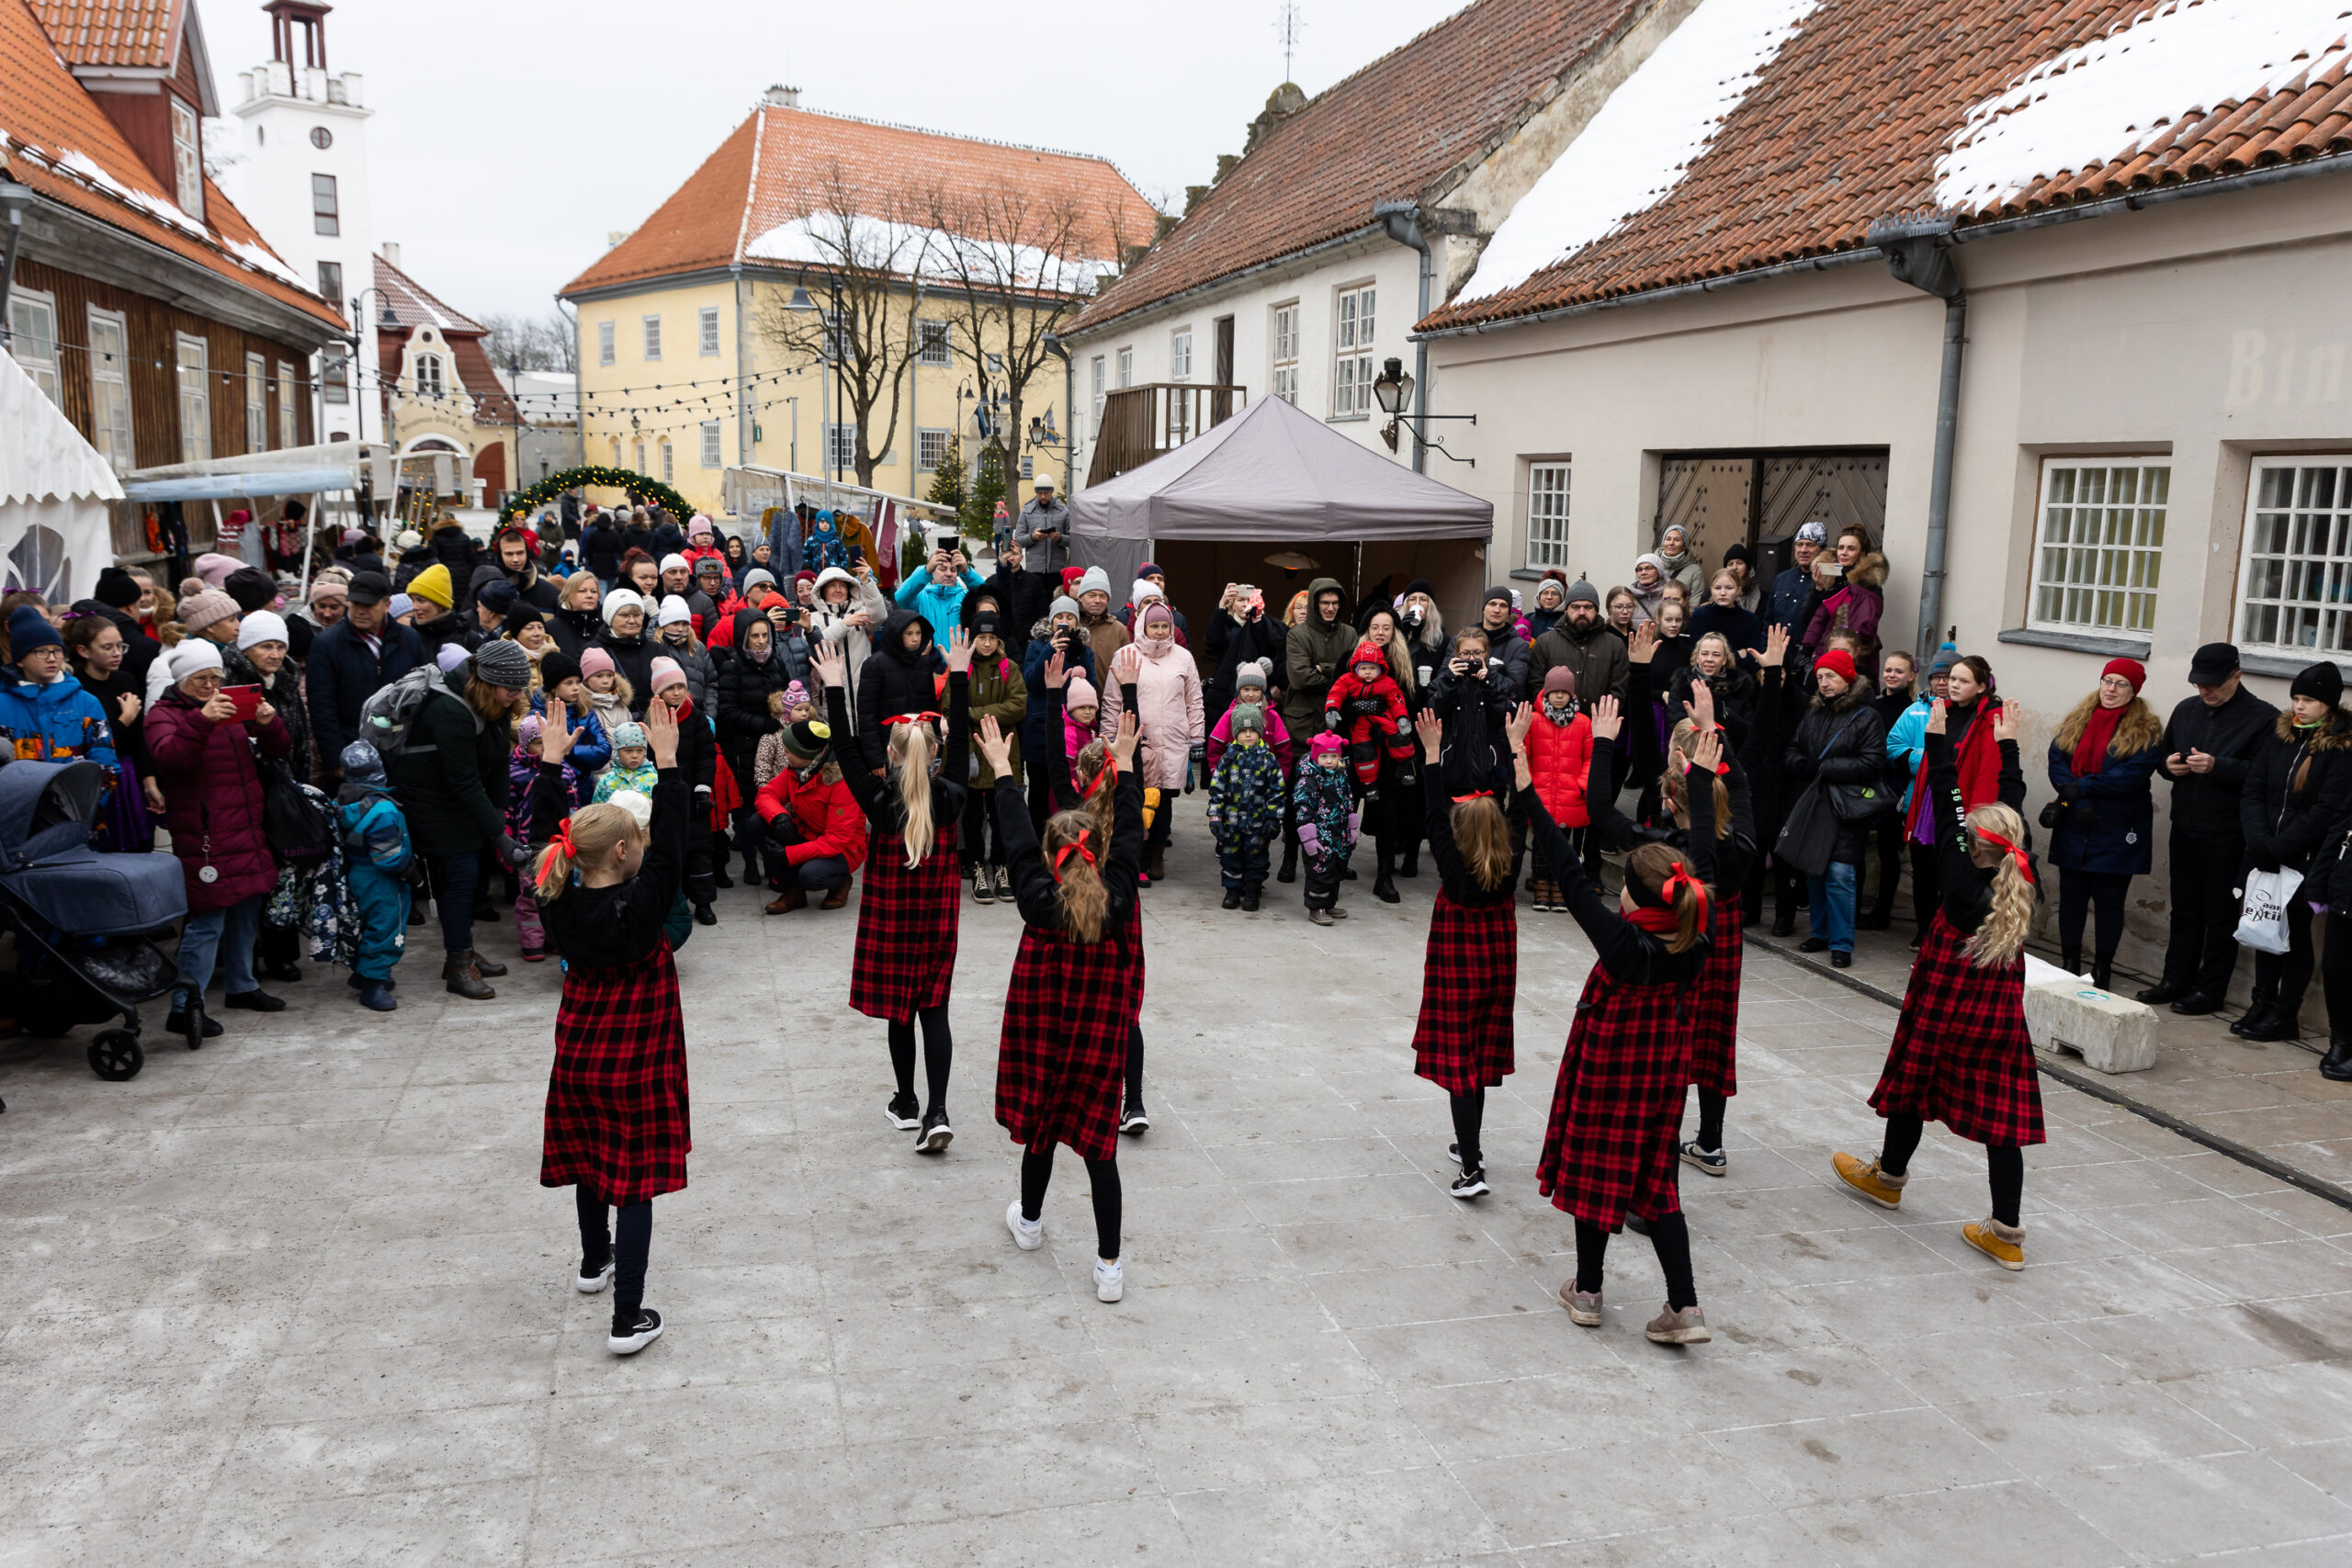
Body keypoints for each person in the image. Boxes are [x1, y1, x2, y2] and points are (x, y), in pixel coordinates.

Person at [1833, 696, 2039, 1271]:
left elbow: (1946, 796)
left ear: (1972, 843)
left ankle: (1890, 1176)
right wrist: (2009, 745)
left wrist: (1941, 739)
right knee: (2004, 1121)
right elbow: (2010, 805)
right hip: (1997, 1016)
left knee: (1915, 1083)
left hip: (1947, 1002)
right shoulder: (2021, 870)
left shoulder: (1958, 875)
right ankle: (2005, 1232)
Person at [1534, 718, 1721, 1345]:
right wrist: (1701, 780)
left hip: (1608, 1076)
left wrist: (1521, 780)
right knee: (1658, 1186)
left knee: (1595, 1175)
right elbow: (1707, 853)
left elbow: (1567, 867)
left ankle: (1587, 1291)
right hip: (1661, 1079)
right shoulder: (1699, 936)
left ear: (1633, 893)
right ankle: (1686, 1307)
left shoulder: (1621, 942)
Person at [530, 700, 688, 1356]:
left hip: (580, 1054)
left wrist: (550, 760)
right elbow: (675, 845)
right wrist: (670, 761)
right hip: (638, 1060)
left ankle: (595, 1262)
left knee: (593, 1165)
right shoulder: (641, 905)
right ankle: (628, 1318)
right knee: (637, 1184)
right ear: (623, 850)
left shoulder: (556, 890)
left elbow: (545, 824)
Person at [976, 707, 1143, 1303]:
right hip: (1098, 1051)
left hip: (1044, 1049)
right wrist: (1125, 764)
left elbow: (1016, 835)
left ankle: (1030, 1221)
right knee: (1101, 1156)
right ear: (1098, 852)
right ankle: (1109, 1266)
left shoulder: (1036, 902)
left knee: (1040, 1136)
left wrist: (1000, 768)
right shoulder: (1118, 899)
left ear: (1052, 858)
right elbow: (1129, 836)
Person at [820, 635, 971, 1148]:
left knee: (899, 1012)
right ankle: (939, 1110)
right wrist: (960, 677)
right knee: (936, 1011)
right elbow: (965, 741)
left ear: (888, 752)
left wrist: (836, 689)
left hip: (891, 921)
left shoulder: (879, 799)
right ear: (936, 750)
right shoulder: (951, 794)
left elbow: (843, 746)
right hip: (937, 920)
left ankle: (905, 1102)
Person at [147, 640, 289, 1047]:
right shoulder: (163, 714)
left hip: (244, 827)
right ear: (181, 682)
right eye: (202, 679)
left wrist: (267, 722)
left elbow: (279, 750)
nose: (212, 686)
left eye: (216, 678)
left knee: (247, 911)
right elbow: (171, 758)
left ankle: (242, 986)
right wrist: (203, 720)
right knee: (207, 922)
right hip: (205, 835)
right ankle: (184, 1007)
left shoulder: (229, 708)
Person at [1407, 700, 1521, 1198]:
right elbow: (1518, 801)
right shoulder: (1511, 860)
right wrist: (1517, 749)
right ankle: (1468, 1145)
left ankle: (1471, 1167)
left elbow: (1433, 808)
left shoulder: (1453, 866)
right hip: (1497, 966)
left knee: (1461, 1068)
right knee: (1478, 1057)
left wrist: (1431, 753)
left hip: (1458, 967)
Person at [2137, 645, 2278, 1014]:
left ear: (2237, 676)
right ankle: (2174, 980)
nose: (2205, 691)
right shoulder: (2186, 710)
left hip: (2229, 832)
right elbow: (2164, 756)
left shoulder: (2263, 718)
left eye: (2213, 685)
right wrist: (2168, 766)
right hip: (2185, 824)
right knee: (2183, 908)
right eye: (2199, 684)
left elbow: (2265, 778)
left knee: (2220, 914)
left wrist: (2218, 766)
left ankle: (2210, 990)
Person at [389, 640, 533, 998]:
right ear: (486, 681)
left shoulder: (494, 702)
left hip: (461, 797)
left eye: (520, 689)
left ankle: (462, 949)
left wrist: (499, 814)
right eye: (509, 689)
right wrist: (499, 835)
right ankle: (457, 964)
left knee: (472, 875)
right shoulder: (449, 710)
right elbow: (463, 781)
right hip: (431, 800)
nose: (515, 696)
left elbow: (499, 759)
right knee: (459, 876)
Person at [2233, 662, 2352, 1043]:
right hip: (2266, 850)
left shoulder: (2340, 747)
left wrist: (2279, 847)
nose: (2299, 706)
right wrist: (2259, 842)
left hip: (2305, 857)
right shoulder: (2281, 735)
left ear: (2328, 704)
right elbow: (2253, 790)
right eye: (2296, 698)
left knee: (2295, 934)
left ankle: (2286, 1013)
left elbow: (2327, 810)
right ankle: (2261, 1002)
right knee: (2266, 926)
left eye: (2309, 700)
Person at [2044, 659, 2165, 988]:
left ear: (2134, 689)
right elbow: (2058, 762)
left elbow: (2133, 773)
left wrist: (2083, 788)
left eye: (2121, 684)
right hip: (2076, 821)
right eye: (2107, 681)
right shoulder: (2078, 720)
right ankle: (2069, 962)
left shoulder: (2147, 728)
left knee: (2109, 902)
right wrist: (2079, 799)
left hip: (2117, 825)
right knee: (2071, 897)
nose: (2111, 689)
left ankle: (2102, 969)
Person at [1885, 652, 2004, 948]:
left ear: (1981, 686)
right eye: (1952, 679)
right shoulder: (1941, 712)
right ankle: (1925, 931)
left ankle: (1949, 934)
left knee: (1953, 874)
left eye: (1963, 681)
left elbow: (1987, 775)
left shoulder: (1989, 719)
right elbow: (1926, 761)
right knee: (1923, 871)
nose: (1953, 685)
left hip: (1959, 808)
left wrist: (1975, 822)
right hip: (1928, 803)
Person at [1781, 648, 1887, 968]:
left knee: (1840, 874)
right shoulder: (1814, 711)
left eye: (1831, 677)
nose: (1824, 683)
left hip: (1847, 806)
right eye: (1820, 677)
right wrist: (1801, 763)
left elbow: (1873, 761)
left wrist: (1826, 767)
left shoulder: (1867, 716)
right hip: (1817, 802)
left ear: (1848, 679)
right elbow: (1793, 748)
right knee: (1814, 870)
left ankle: (1842, 943)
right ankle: (1820, 932)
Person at [1098, 605, 1203, 886]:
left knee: (1164, 799)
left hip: (1172, 740)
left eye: (1164, 626)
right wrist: (1107, 737)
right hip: (1134, 741)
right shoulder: (1125, 655)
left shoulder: (1183, 658)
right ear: (1143, 626)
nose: (1159, 631)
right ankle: (1138, 857)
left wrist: (1197, 737)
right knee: (1133, 798)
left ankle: (1157, 855)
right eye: (1154, 626)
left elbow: (1193, 700)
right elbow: (1111, 700)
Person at [307, 571, 426, 790]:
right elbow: (322, 707)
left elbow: (422, 694)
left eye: (368, 605)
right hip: (353, 750)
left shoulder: (409, 640)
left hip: (400, 750)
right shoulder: (327, 644)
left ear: (387, 604)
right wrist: (336, 759)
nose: (360, 611)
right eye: (355, 604)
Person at [1280, 578, 1354, 884]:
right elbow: (1298, 678)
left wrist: (1322, 668)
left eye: (1335, 603)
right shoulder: (1297, 634)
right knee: (1298, 797)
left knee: (1339, 795)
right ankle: (1288, 858)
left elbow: (1353, 674)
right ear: (1313, 604)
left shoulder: (1349, 634)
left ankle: (1338, 857)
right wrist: (1332, 671)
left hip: (1337, 726)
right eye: (1324, 603)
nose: (1330, 608)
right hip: (1302, 726)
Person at [61, 612, 153, 850]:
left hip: (130, 777)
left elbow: (139, 738)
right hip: (100, 779)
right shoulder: (78, 689)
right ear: (83, 651)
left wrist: (149, 780)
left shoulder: (125, 680)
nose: (117, 653)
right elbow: (94, 745)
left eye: (120, 646)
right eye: (107, 647)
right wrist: (125, 719)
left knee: (138, 848)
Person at [756, 713, 864, 913]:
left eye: (788, 751)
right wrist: (779, 816)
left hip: (843, 850)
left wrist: (789, 854)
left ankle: (841, 882)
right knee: (756, 823)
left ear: (806, 754)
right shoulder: (797, 770)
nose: (784, 755)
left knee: (811, 876)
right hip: (809, 836)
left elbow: (837, 839)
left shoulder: (841, 782)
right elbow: (766, 794)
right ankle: (793, 892)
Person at [715, 608, 790, 888]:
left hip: (775, 748)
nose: (760, 641)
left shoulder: (776, 663)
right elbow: (727, 711)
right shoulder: (732, 668)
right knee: (747, 809)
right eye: (754, 636)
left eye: (764, 635)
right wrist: (761, 724)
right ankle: (749, 862)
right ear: (743, 638)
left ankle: (772, 862)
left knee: (773, 805)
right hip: (744, 748)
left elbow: (788, 698)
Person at [336, 740, 413, 1011]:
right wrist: (409, 872)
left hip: (357, 875)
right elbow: (388, 858)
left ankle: (363, 973)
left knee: (365, 924)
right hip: (383, 881)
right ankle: (374, 984)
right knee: (386, 928)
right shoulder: (383, 810)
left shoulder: (344, 803)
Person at [646, 657, 720, 925]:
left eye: (681, 686)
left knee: (699, 850)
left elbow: (706, 754)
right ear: (658, 692)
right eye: (670, 688)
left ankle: (703, 902)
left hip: (694, 795)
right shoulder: (651, 719)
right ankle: (671, 903)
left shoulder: (697, 717)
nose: (677, 692)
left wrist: (703, 786)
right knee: (668, 850)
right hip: (665, 794)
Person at [1, 606, 117, 775]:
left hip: (75, 799)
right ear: (20, 660)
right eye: (41, 652)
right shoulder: (3, 704)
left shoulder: (86, 703)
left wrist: (88, 799)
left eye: (57, 651)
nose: (52, 658)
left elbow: (106, 761)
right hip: (18, 799)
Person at [962, 612, 1028, 905]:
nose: (986, 643)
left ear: (999, 641)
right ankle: (977, 867)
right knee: (973, 818)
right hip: (973, 751)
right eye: (981, 638)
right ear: (973, 639)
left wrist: (977, 714)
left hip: (1004, 753)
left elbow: (1018, 706)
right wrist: (990, 714)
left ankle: (1001, 868)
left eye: (992, 638)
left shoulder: (1008, 668)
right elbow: (952, 705)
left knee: (1002, 817)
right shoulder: (962, 668)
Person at [1021, 598, 1096, 836]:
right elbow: (1032, 682)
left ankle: (1066, 838)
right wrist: (1050, 648)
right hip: (1041, 731)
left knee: (1068, 789)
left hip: (1073, 734)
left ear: (1076, 622)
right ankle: (1039, 839)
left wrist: (1077, 652)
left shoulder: (1084, 651)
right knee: (1040, 792)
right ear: (1052, 622)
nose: (1065, 622)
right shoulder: (1035, 646)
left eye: (1070, 618)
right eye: (1060, 618)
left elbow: (1090, 687)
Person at [1521, 667, 1592, 912]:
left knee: (1564, 846)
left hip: (1569, 796)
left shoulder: (1583, 723)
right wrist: (1529, 787)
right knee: (1541, 846)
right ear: (1546, 693)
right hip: (1540, 794)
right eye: (1555, 692)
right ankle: (1541, 884)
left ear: (1572, 694)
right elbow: (1526, 755)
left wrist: (1581, 786)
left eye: (1564, 692)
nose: (1559, 696)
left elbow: (1590, 759)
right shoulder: (1533, 720)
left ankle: (1558, 884)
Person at [1206, 701, 1284, 909]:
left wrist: (1274, 818)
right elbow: (1217, 790)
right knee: (1230, 855)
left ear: (1259, 731)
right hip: (1232, 821)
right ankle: (1232, 890)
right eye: (1243, 731)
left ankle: (1252, 890)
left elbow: (1277, 791)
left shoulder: (1268, 760)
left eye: (1252, 730)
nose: (1248, 735)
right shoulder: (1227, 759)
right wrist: (1215, 817)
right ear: (1235, 733)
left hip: (1258, 822)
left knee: (1256, 857)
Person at [1862, 649, 1919, 931]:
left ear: (1910, 677)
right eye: (1888, 670)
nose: (1891, 675)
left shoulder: (1912, 710)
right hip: (1868, 783)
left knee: (1888, 850)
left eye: (1898, 671)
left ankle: (1882, 911)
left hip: (1894, 787)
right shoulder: (1874, 704)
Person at [1294, 730, 1358, 925]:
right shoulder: (1309, 779)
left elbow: (1349, 801)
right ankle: (1316, 907)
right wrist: (1309, 837)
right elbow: (1303, 807)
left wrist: (1352, 827)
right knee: (1319, 871)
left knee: (1335, 871)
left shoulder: (1341, 777)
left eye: (1333, 756)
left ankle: (1329, 903)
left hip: (1340, 835)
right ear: (1315, 756)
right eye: (1323, 756)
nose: (1329, 761)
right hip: (1320, 836)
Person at [1204, 581, 1288, 729]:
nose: (1245, 604)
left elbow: (1277, 648)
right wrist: (1222, 605)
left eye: (1249, 600)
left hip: (1257, 691)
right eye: (1240, 600)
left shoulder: (1265, 626)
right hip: (1227, 690)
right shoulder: (1226, 624)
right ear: (1232, 604)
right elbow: (1212, 640)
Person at [1801, 525, 1887, 666]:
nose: (1844, 553)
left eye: (1851, 549)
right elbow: (1806, 618)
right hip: (1822, 653)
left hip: (1854, 658)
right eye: (1841, 548)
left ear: (1862, 554)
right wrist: (1818, 590)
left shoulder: (1869, 584)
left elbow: (1867, 628)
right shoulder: (1825, 576)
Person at [895, 542, 985, 645]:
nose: (948, 574)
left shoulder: (966, 597)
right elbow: (900, 597)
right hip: (928, 660)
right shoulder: (920, 598)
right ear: (932, 572)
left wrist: (967, 572)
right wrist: (925, 571)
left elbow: (987, 596)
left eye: (953, 570)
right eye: (942, 569)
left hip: (959, 660)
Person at [1687, 570, 1766, 669]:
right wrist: (1738, 654)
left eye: (1729, 588)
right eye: (1717, 588)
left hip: (1740, 679)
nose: (1723, 593)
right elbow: (1697, 656)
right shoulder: (1700, 616)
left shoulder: (1750, 619)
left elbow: (1753, 659)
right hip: (1705, 679)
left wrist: (1718, 656)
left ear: (1738, 590)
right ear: (1711, 590)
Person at [1766, 522, 1826, 636]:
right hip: (1779, 651)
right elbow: (1768, 621)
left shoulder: (1831, 579)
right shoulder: (1782, 578)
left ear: (1822, 550)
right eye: (1799, 544)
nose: (1803, 550)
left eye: (1810, 545)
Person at [1012, 472, 1070, 573]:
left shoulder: (1064, 512)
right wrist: (1032, 537)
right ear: (1036, 493)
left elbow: (1073, 540)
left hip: (1058, 570)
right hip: (1034, 570)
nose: (1043, 496)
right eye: (1040, 493)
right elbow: (1017, 541)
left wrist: (1060, 538)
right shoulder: (1026, 512)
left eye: (1046, 493)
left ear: (1051, 492)